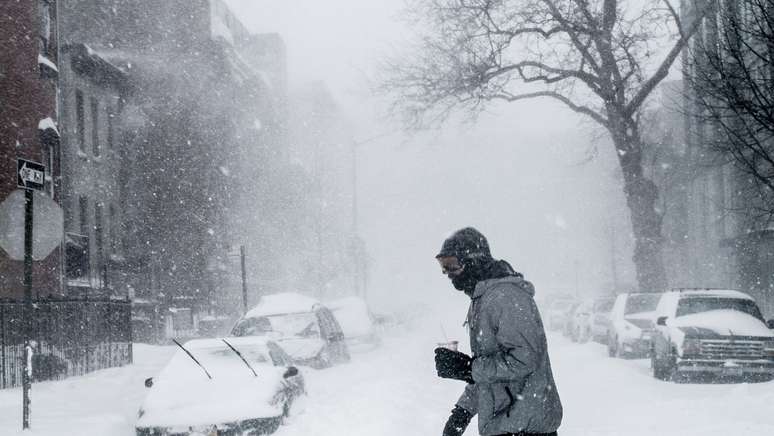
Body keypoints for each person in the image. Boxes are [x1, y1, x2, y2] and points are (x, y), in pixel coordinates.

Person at [434, 227, 562, 436]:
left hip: (525, 428)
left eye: (452, 265)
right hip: (507, 425)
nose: (447, 274)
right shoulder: (484, 298)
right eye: (443, 266)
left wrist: (468, 367)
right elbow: (492, 373)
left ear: (473, 262)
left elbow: (525, 359)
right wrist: (463, 411)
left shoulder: (506, 297)